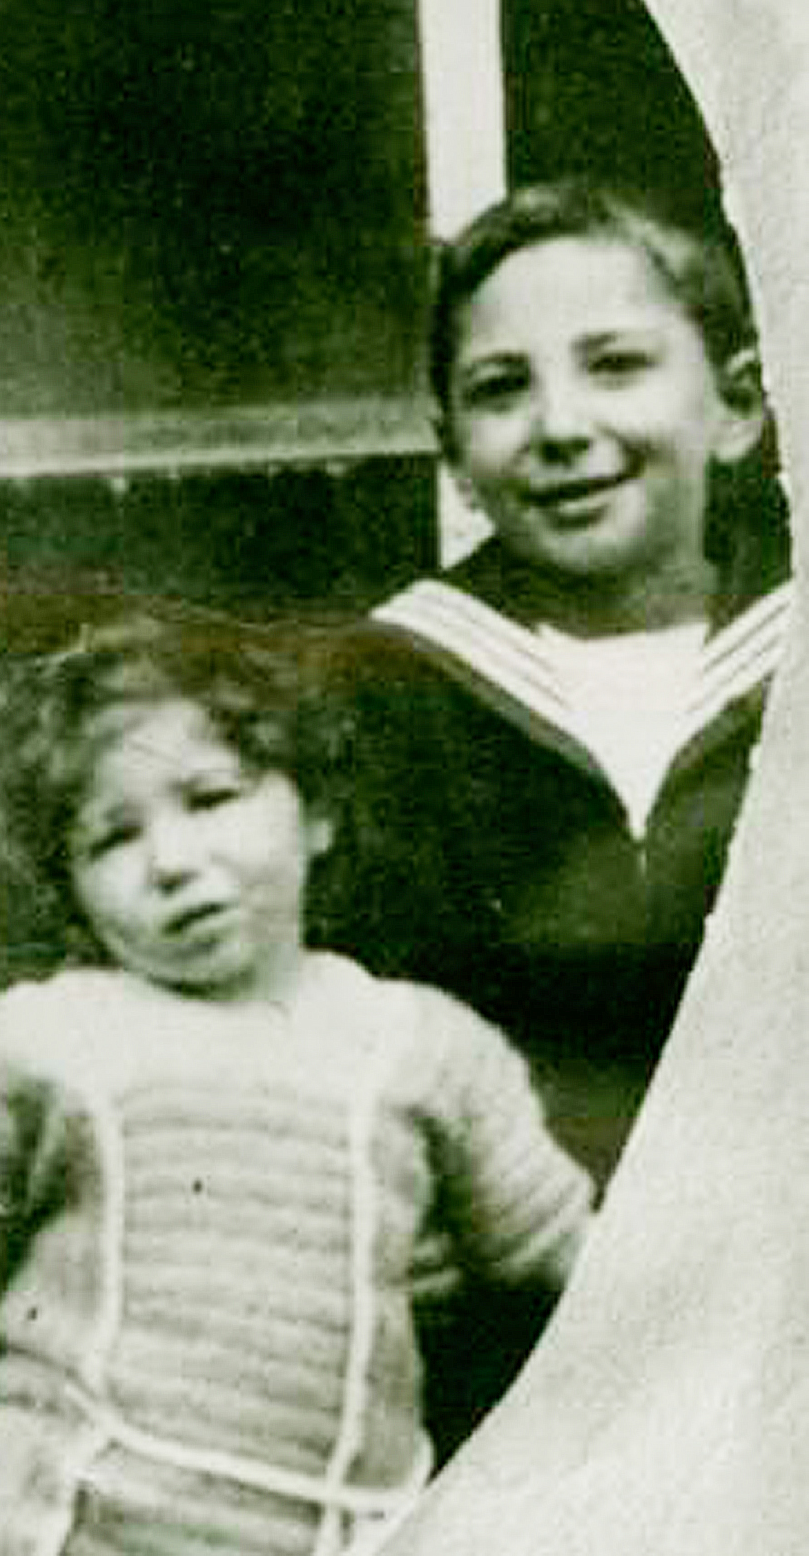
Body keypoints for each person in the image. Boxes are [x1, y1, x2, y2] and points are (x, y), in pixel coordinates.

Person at [0, 618, 592, 1556]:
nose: (172, 862)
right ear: (71, 886)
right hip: (57, 1511)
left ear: (317, 813)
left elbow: (571, 1256)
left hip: (320, 1526)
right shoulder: (42, 1038)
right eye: (111, 838)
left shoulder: (427, 1046)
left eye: (211, 796)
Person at [322, 179, 792, 1188]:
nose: (560, 425)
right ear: (451, 453)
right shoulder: (381, 701)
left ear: (736, 406)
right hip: (514, 1281)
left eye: (615, 366)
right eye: (500, 388)